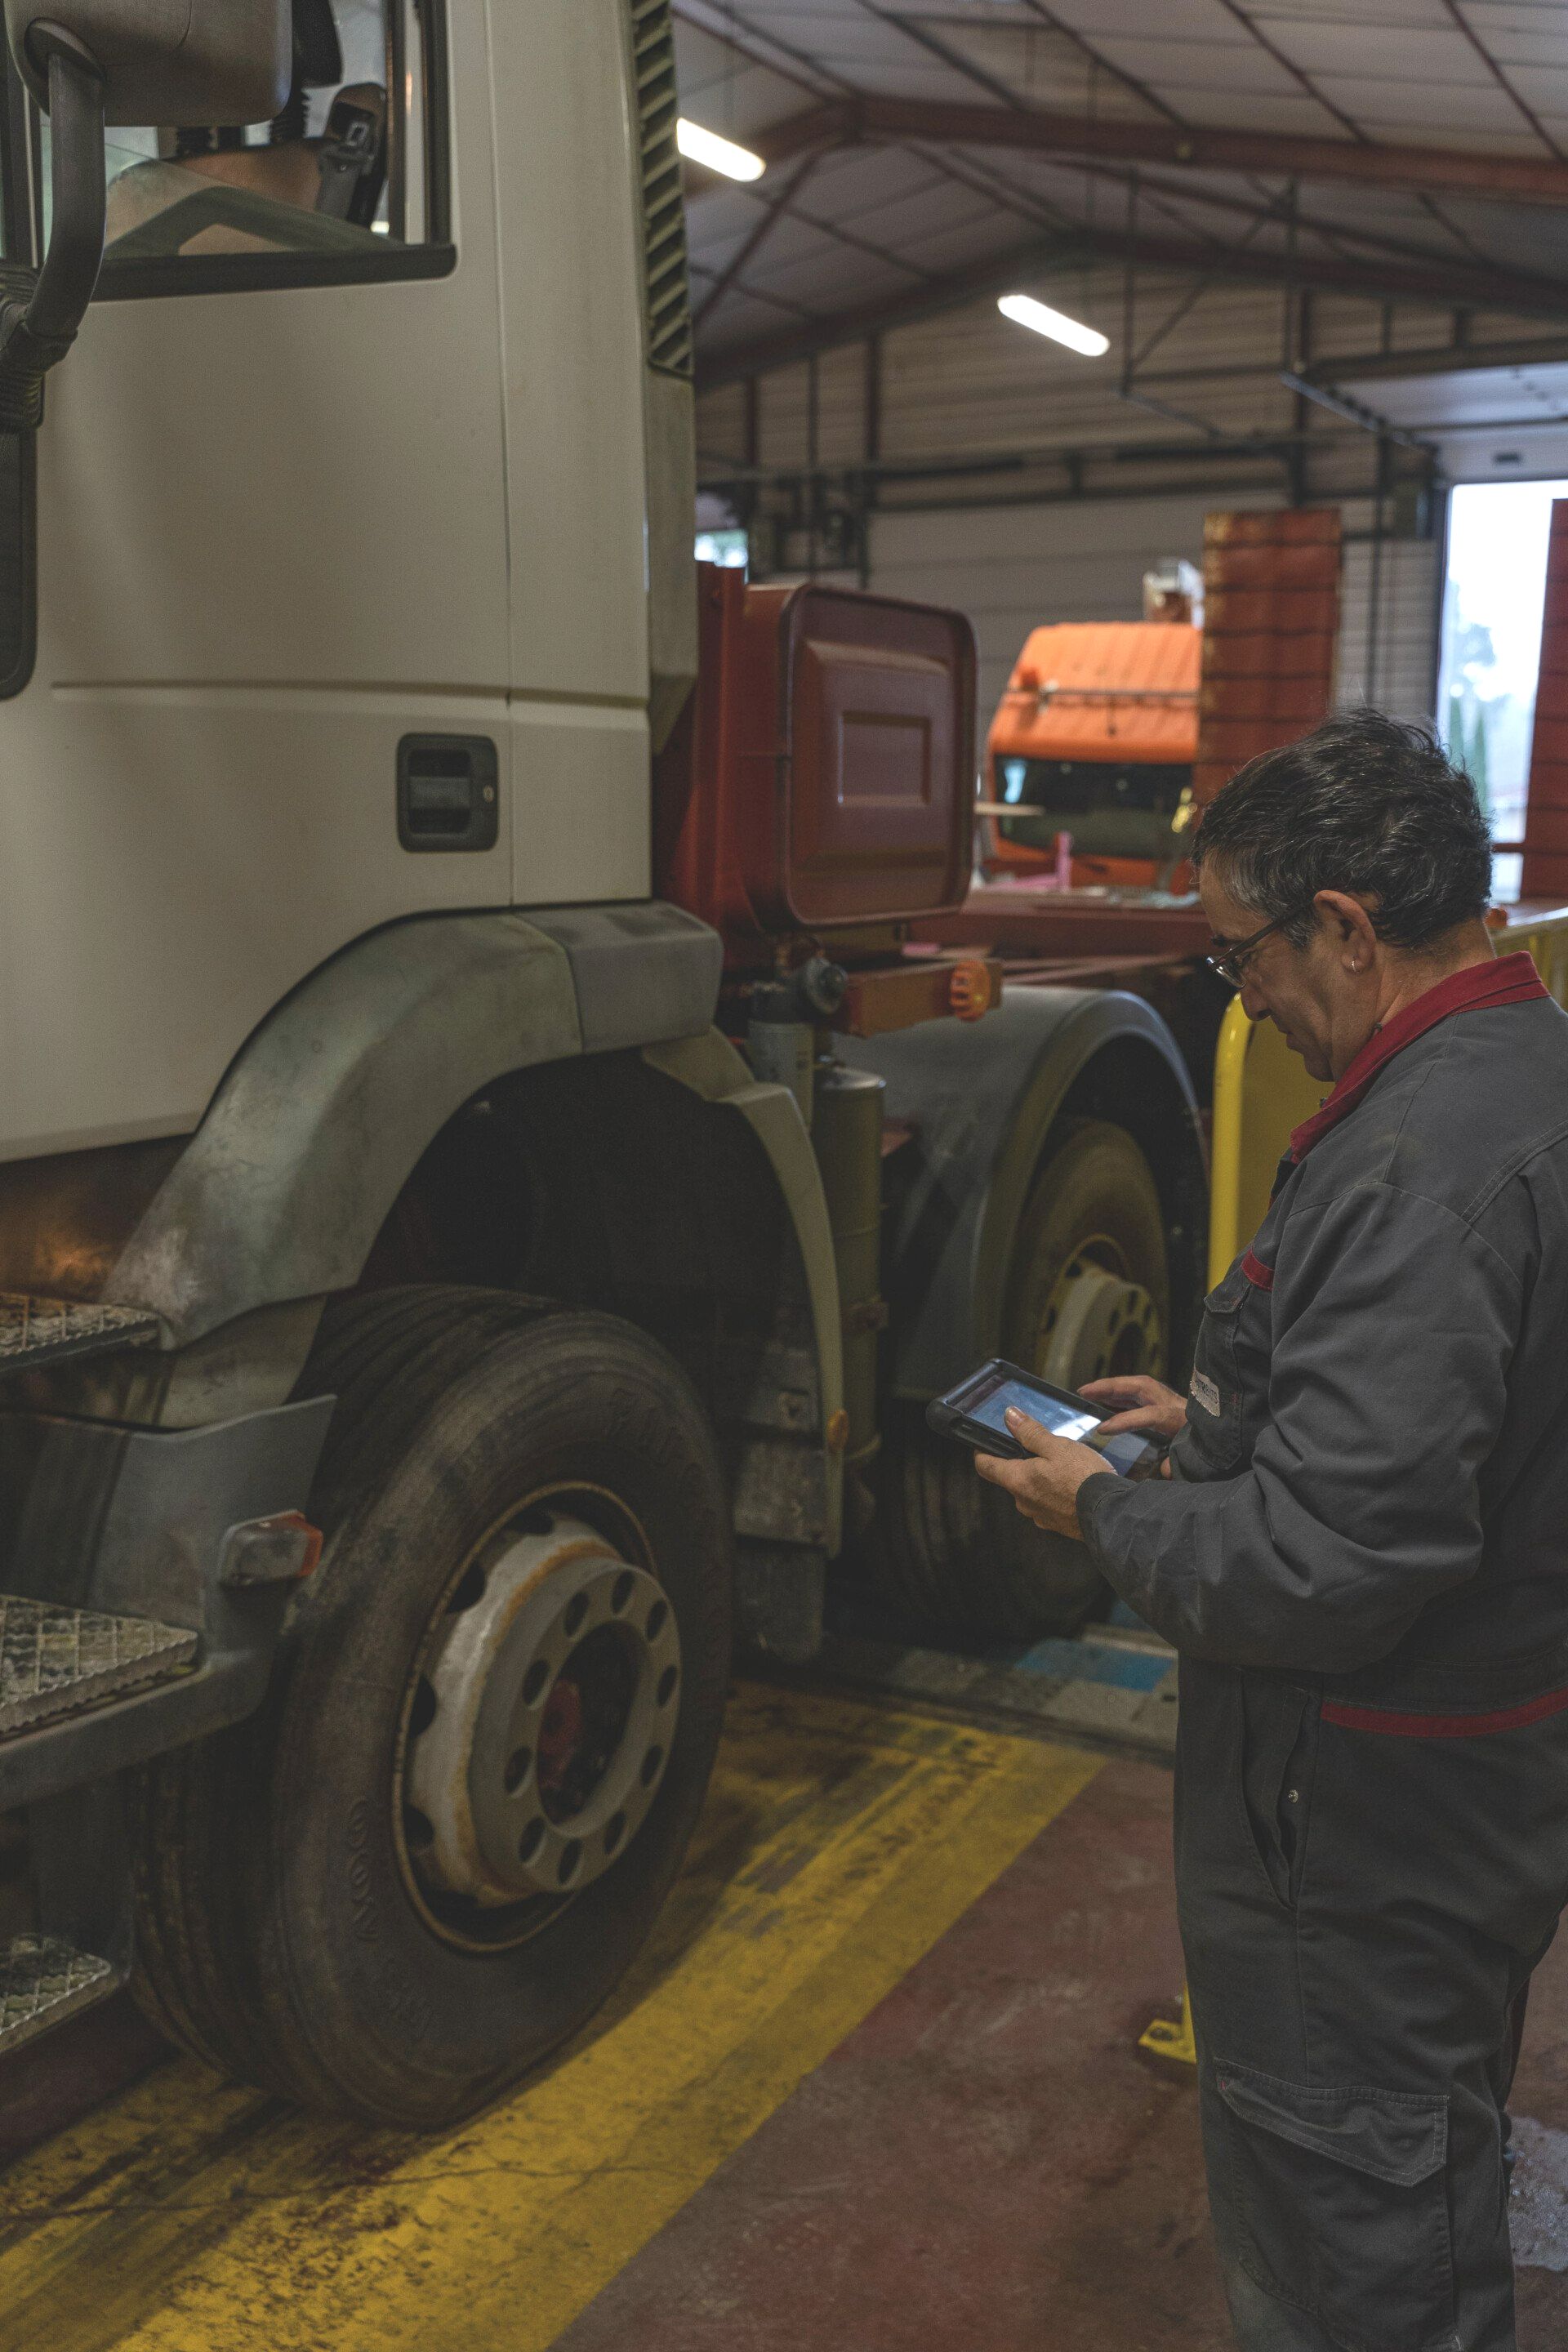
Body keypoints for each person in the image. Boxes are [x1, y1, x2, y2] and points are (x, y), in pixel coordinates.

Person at [977, 710, 1568, 2352]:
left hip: (1364, 1811)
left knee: (1348, 2214)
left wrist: (1099, 1504)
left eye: (1243, 960)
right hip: (1488, 1767)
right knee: (1416, 2143)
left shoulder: (1412, 1164)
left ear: (1346, 930)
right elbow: (1465, 1430)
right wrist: (1219, 1435)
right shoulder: (1529, 1068)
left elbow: (1325, 1573)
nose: (1250, 999)